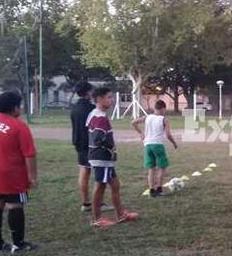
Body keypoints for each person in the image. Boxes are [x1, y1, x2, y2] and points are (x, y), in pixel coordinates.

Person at [0, 91, 38, 253]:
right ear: (15, 108)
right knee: (15, 206)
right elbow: (29, 154)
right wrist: (32, 176)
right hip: (12, 173)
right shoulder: (19, 126)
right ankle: (18, 244)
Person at [87, 87, 138, 226]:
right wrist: (110, 146)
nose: (112, 99)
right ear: (99, 99)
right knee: (100, 186)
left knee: (115, 185)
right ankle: (97, 219)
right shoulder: (100, 117)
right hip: (101, 158)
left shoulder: (95, 114)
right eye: (109, 97)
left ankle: (121, 214)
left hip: (104, 159)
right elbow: (97, 137)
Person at [70, 81, 113, 214]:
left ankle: (86, 202)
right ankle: (97, 203)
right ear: (88, 93)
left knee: (84, 171)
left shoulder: (74, 107)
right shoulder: (91, 109)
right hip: (90, 144)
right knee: (98, 174)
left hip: (78, 142)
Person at [132, 100, 178, 197]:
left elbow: (133, 122)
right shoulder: (164, 119)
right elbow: (168, 134)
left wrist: (140, 133)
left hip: (147, 145)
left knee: (151, 169)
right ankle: (159, 189)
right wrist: (174, 143)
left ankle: (152, 191)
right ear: (163, 109)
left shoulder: (147, 117)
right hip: (158, 145)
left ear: (155, 108)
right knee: (162, 168)